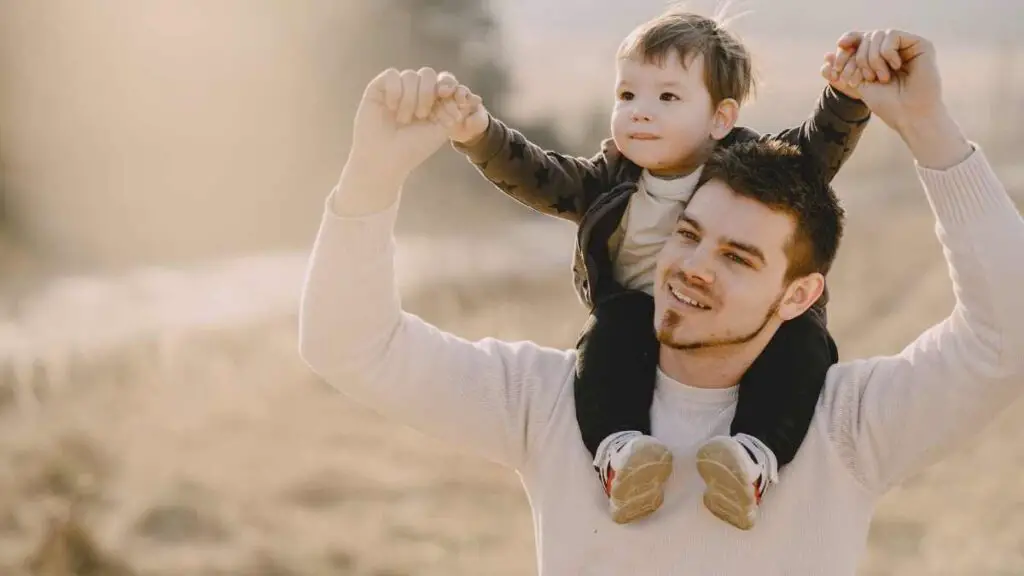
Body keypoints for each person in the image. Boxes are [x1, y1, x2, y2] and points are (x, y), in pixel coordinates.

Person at [299, 28, 1024, 575]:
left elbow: (1008, 336)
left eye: (738, 257)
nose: (693, 267)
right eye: (688, 233)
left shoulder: (846, 423)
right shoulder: (552, 401)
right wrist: (372, 177)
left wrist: (928, 126)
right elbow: (347, 346)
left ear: (800, 292)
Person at [440, 7, 872, 528]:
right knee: (606, 336)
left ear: (720, 118)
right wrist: (478, 134)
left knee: (802, 344)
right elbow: (538, 175)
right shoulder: (609, 178)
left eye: (667, 97)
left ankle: (751, 458)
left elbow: (811, 154)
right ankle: (622, 455)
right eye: (627, 95)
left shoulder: (748, 166)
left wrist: (846, 98)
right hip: (645, 322)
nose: (640, 111)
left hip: (743, 321)